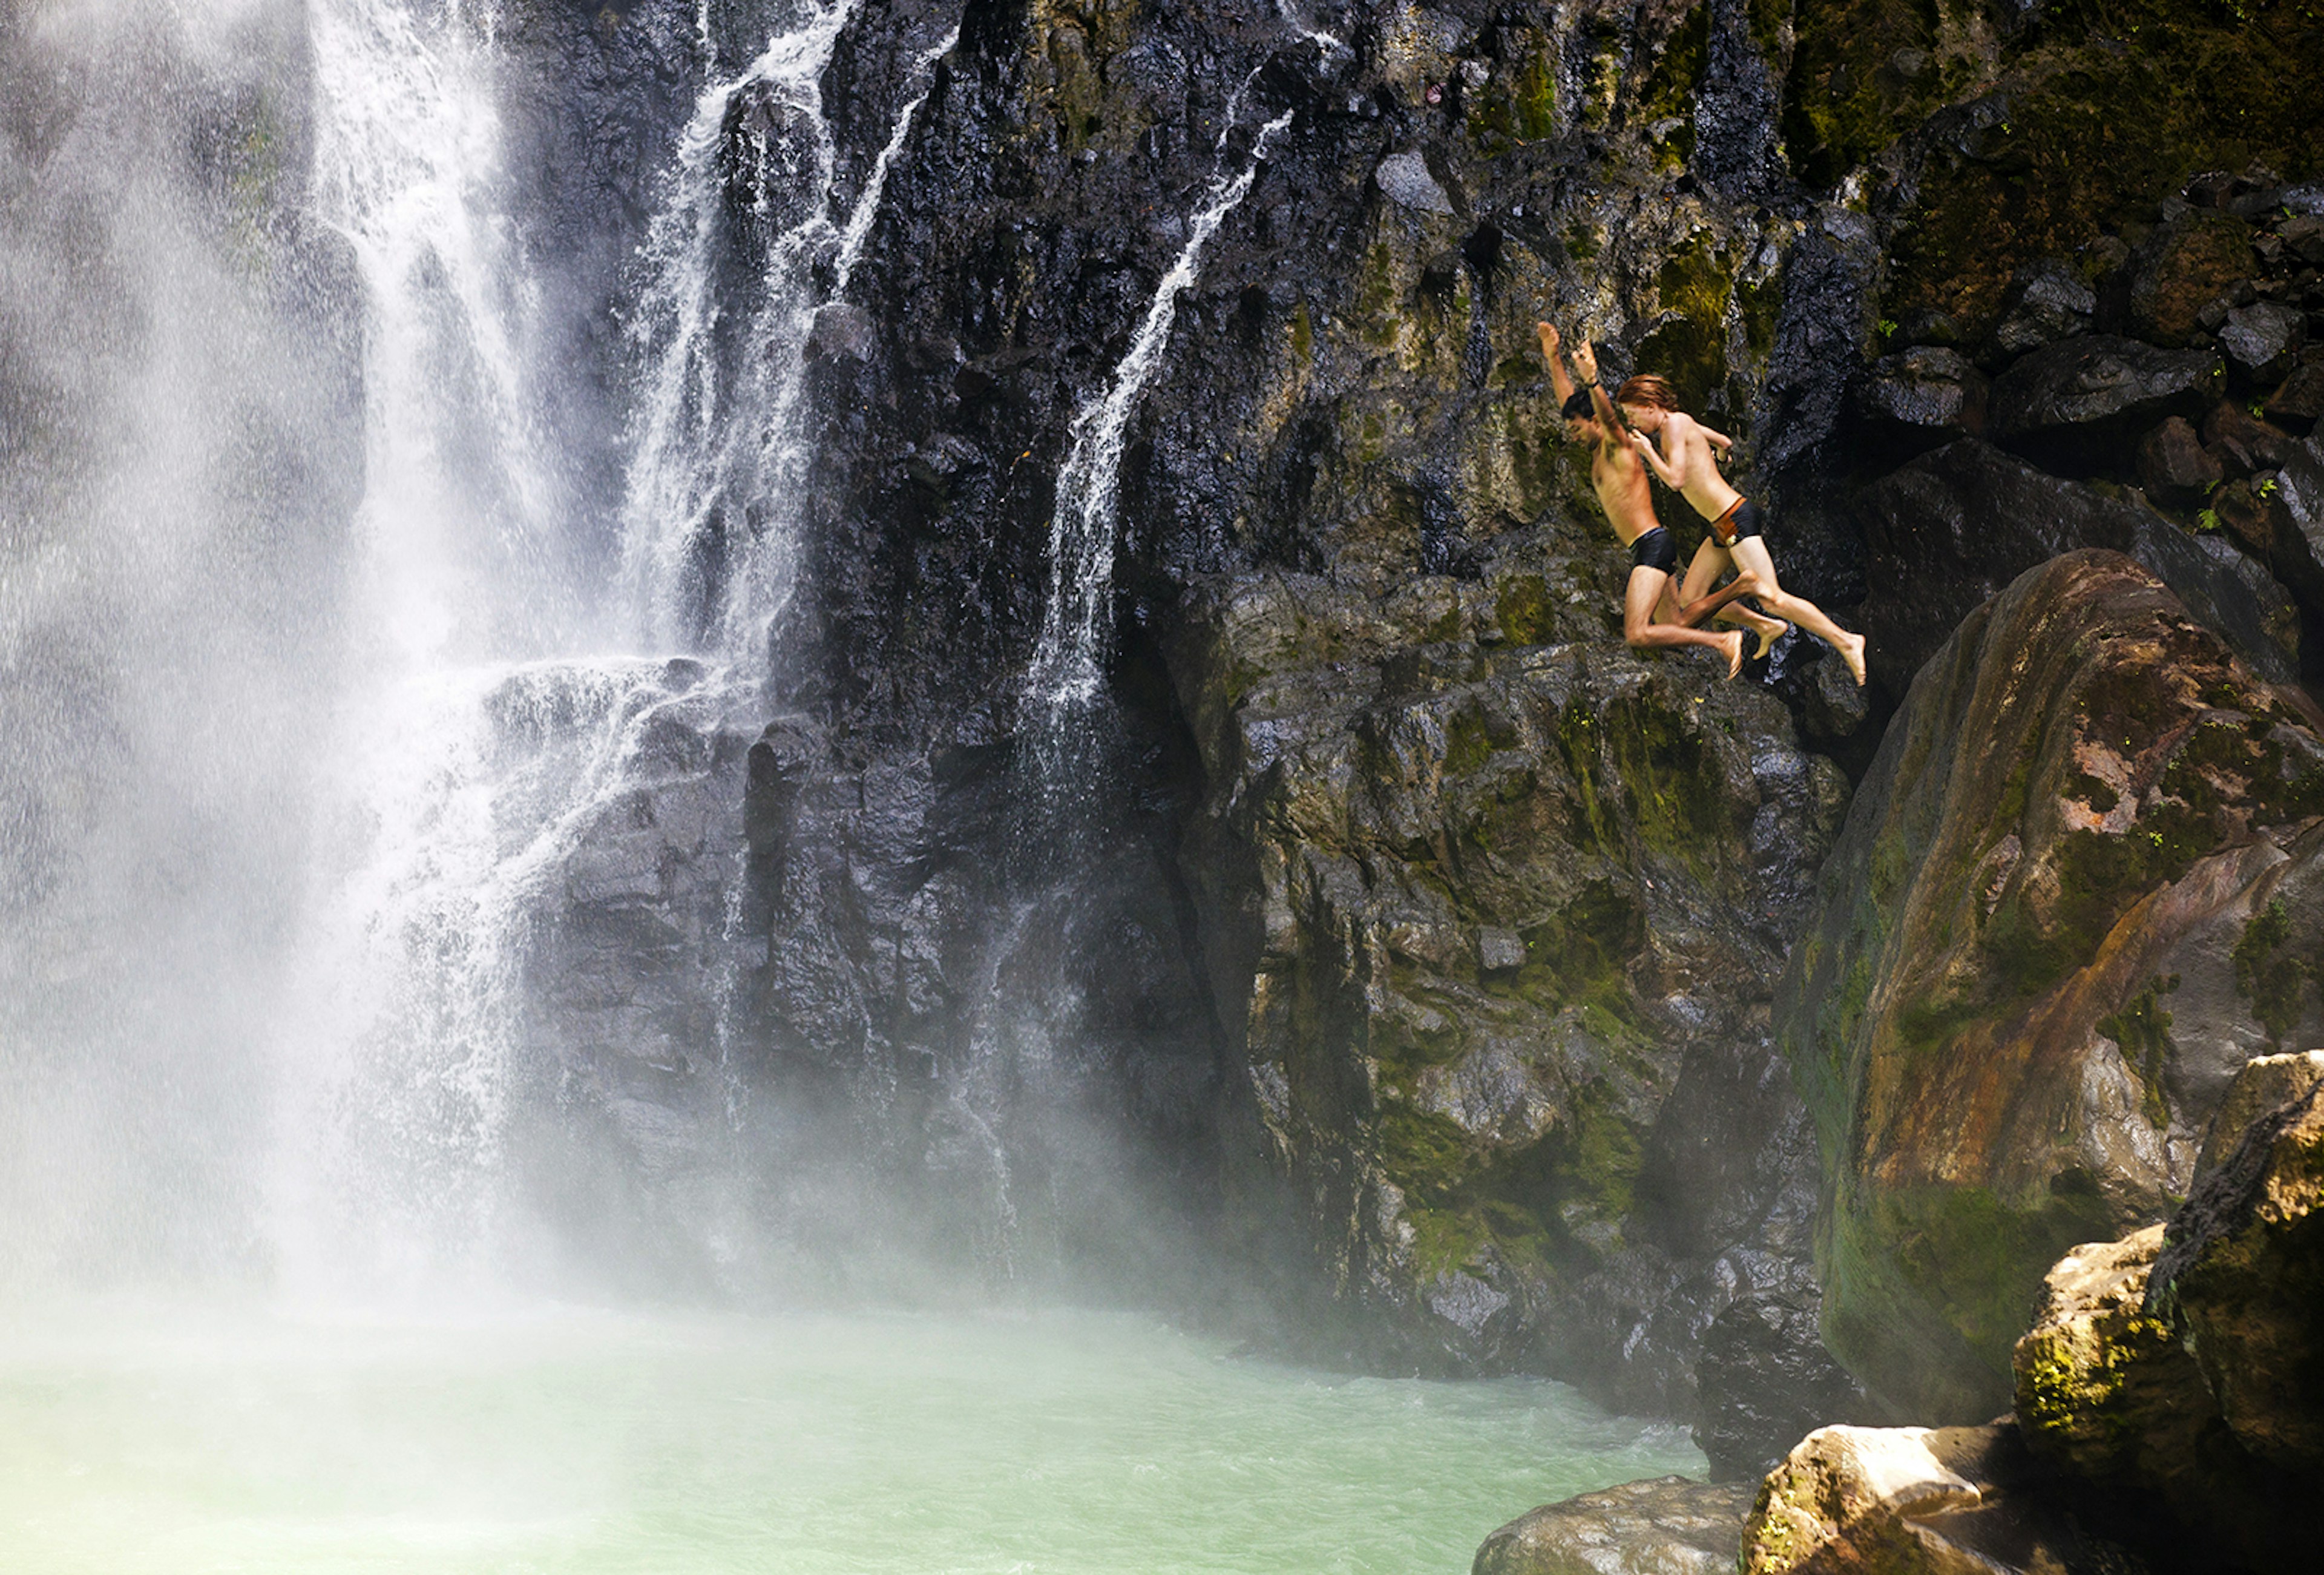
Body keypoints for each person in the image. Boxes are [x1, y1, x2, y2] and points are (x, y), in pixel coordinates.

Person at [1617, 375, 1868, 686]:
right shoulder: (1684, 423)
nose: (1632, 423)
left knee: (1773, 598)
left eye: (1632, 414)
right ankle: (1764, 626)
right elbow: (1724, 442)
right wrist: (1718, 458)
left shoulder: (1674, 427)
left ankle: (1846, 640)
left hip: (1734, 518)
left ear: (1651, 406)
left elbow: (1676, 480)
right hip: (1722, 524)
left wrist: (1648, 452)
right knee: (1691, 600)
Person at [1538, 321, 1756, 678]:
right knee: (1679, 624)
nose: (1574, 436)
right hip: (1652, 545)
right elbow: (1569, 402)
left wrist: (1593, 381)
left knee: (1638, 634)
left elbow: (1606, 416)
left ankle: (1724, 642)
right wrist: (1553, 358)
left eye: (1577, 428)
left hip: (1651, 544)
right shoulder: (1596, 447)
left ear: (1594, 421)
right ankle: (1741, 587)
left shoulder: (1618, 444)